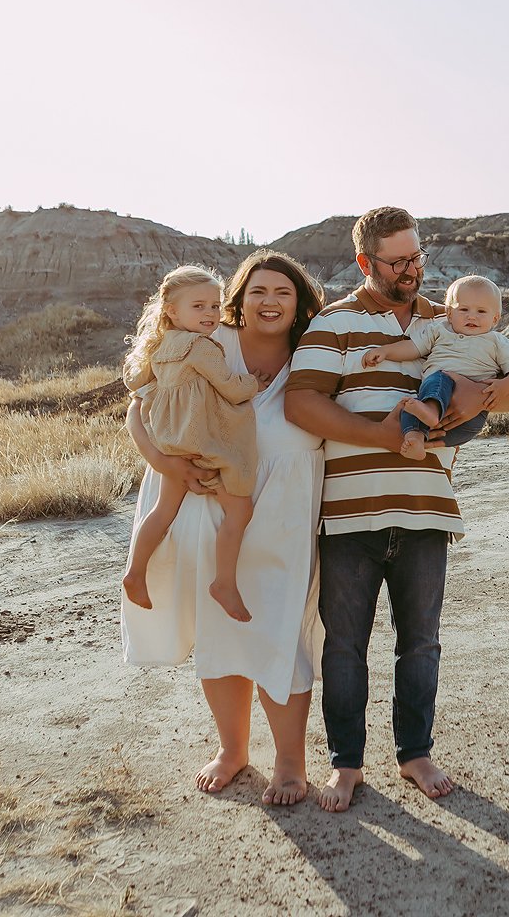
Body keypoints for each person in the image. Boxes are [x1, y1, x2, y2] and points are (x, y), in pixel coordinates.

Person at [285, 207, 509, 812]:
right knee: (344, 646)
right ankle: (347, 764)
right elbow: (300, 404)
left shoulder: (451, 317)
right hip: (348, 514)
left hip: (428, 510)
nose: (412, 269)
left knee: (420, 643)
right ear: (367, 262)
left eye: (418, 257)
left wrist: (483, 394)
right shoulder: (334, 323)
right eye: (398, 261)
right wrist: (387, 436)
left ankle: (414, 754)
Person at [121, 251, 327, 805]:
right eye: (257, 291)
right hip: (211, 511)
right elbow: (140, 407)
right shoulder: (213, 339)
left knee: (283, 636)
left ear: (300, 302)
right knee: (221, 636)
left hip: (286, 517)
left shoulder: (318, 352)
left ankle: (289, 764)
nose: (270, 302)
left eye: (283, 292)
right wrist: (166, 465)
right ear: (239, 297)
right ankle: (233, 751)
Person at [121, 265, 261, 622]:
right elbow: (230, 386)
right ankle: (224, 582)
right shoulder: (202, 347)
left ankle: (135, 572)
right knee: (240, 509)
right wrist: (254, 383)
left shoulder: (159, 346)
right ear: (171, 310)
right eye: (198, 307)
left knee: (162, 512)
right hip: (201, 441)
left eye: (215, 306)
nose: (211, 314)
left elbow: (137, 385)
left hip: (171, 443)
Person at [360, 274, 509, 460]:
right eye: (463, 309)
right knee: (409, 409)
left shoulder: (497, 342)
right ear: (449, 313)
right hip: (438, 397)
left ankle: (431, 413)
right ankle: (416, 441)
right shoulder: (439, 330)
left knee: (438, 379)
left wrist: (503, 387)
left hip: (472, 415)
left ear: (495, 319)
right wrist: (386, 352)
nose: (471, 316)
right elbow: (413, 347)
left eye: (481, 312)